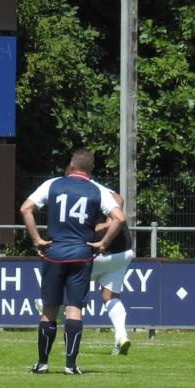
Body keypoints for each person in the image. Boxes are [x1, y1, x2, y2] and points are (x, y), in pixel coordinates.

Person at [19, 147, 126, 375]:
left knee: (49, 309)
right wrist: (103, 243)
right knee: (74, 308)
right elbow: (119, 218)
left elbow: (25, 208)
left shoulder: (53, 184)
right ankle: (70, 365)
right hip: (82, 254)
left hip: (54, 253)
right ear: (91, 168)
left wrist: (37, 239)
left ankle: (42, 363)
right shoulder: (97, 190)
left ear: (71, 164)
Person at [91, 186, 134, 355]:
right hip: (123, 252)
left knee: (71, 278)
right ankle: (121, 336)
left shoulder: (89, 188)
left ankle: (50, 306)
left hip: (103, 253)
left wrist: (108, 224)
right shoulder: (95, 188)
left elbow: (118, 199)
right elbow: (120, 198)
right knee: (109, 297)